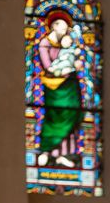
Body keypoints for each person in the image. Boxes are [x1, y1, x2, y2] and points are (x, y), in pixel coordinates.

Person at [36, 9, 84, 168]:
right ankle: (48, 151)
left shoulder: (68, 43)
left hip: (70, 85)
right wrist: (63, 70)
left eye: (66, 27)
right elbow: (48, 66)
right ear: (54, 26)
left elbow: (75, 58)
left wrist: (75, 66)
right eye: (62, 26)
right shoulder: (45, 43)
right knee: (53, 118)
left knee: (72, 115)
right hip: (54, 87)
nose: (65, 30)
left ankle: (65, 154)